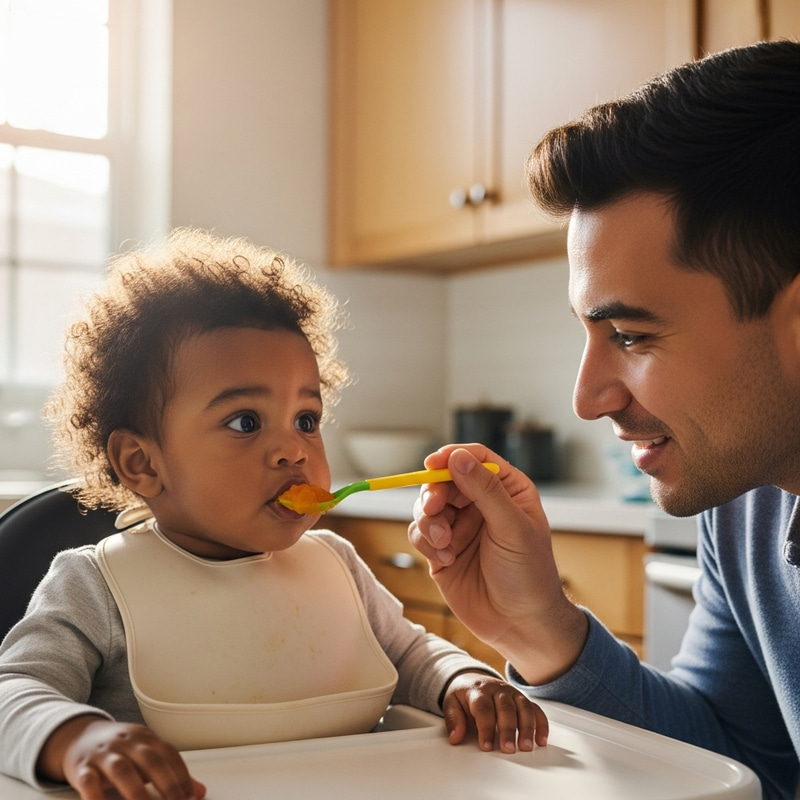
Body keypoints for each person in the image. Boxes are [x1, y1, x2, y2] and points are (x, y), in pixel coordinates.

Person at [0, 228, 547, 800]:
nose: (295, 449)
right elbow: (13, 692)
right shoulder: (93, 586)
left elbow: (411, 653)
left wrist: (466, 680)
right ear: (142, 463)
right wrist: (77, 739)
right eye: (245, 422)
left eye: (306, 419)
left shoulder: (336, 564)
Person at [409, 39, 800, 800]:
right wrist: (540, 628)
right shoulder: (747, 494)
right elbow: (747, 766)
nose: (588, 399)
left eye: (630, 336)